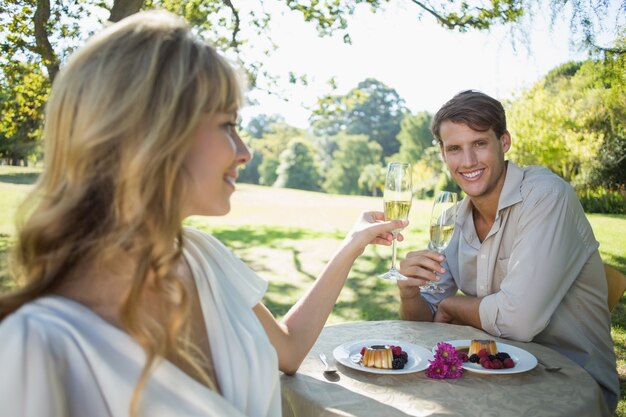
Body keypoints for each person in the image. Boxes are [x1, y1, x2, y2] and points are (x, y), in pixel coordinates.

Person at [0, 10, 407, 417]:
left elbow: (290, 349)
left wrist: (351, 245)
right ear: (152, 135)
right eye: (228, 124)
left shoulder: (202, 257)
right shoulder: (37, 347)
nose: (245, 152)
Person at [397, 90, 619, 413]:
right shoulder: (450, 219)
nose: (468, 161)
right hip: (492, 376)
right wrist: (409, 294)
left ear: (504, 142)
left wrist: (453, 304)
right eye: (455, 149)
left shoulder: (546, 197)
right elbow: (426, 325)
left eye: (480, 144)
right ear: (444, 156)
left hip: (568, 385)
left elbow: (518, 321)